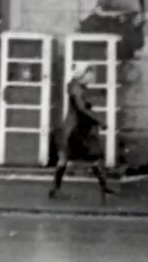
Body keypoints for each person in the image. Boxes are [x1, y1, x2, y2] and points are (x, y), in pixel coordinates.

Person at [50, 66, 117, 202]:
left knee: (69, 158)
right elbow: (81, 109)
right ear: (82, 74)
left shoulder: (77, 87)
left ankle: (55, 189)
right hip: (75, 130)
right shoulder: (76, 89)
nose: (92, 78)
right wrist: (100, 121)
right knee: (94, 155)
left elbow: (84, 107)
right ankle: (103, 187)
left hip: (74, 128)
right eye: (90, 75)